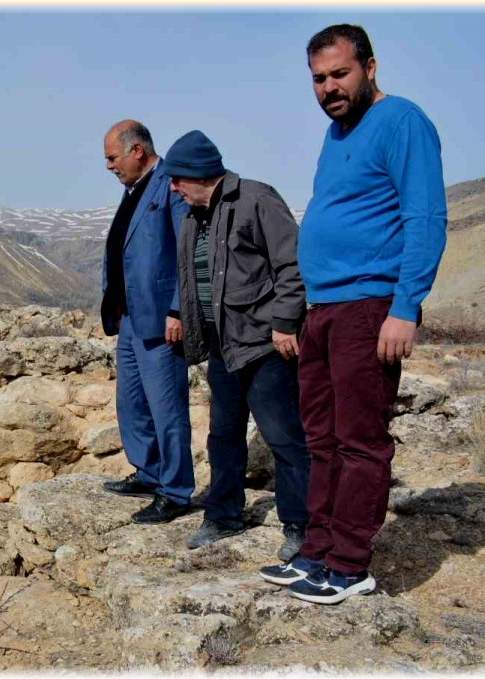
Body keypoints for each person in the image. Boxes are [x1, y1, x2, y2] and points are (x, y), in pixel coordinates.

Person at [259, 24, 447, 604]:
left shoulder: (402, 121)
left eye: (340, 73)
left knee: (361, 440)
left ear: (370, 66)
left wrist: (405, 307)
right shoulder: (337, 133)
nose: (329, 88)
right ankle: (316, 550)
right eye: (318, 79)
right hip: (323, 310)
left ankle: (350, 565)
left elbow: (426, 218)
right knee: (322, 438)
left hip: (370, 306)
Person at [163, 130, 311, 561]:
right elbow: (193, 282)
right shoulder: (193, 218)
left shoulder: (257, 199)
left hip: (264, 345)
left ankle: (300, 525)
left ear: (197, 174)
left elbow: (292, 264)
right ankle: (223, 515)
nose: (173, 187)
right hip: (222, 345)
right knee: (223, 436)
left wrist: (285, 322)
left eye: (178, 179)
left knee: (283, 436)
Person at [98, 120, 195, 524]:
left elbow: (187, 252)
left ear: (137, 150)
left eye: (112, 158)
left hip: (160, 319)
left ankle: (175, 491)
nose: (108, 166)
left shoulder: (171, 185)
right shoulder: (134, 190)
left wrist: (178, 309)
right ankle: (149, 471)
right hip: (129, 319)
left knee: (167, 408)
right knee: (131, 403)